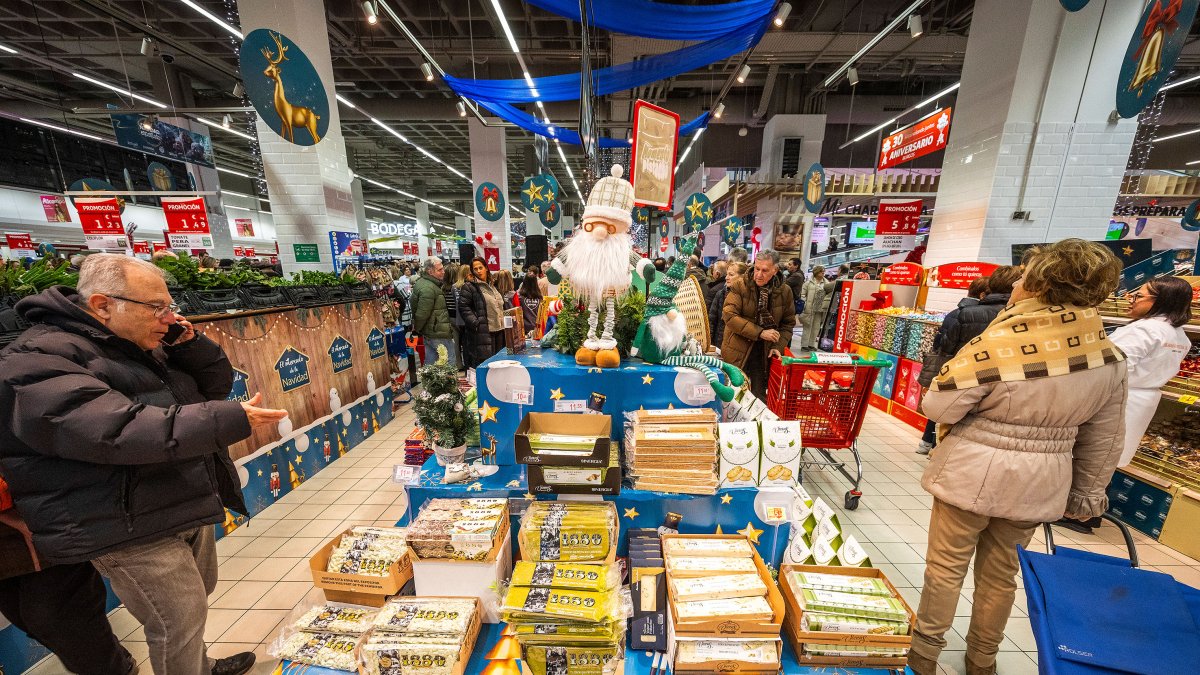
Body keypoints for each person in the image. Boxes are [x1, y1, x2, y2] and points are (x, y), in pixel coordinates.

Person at [0, 254, 288, 675]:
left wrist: (189, 346)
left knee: (195, 599)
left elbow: (210, 388)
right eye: (157, 307)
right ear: (102, 305)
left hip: (176, 492)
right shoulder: (36, 358)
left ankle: (199, 666)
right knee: (177, 618)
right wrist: (230, 419)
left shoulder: (137, 343)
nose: (168, 317)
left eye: (170, 306)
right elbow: (116, 431)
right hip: (119, 514)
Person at [909, 239, 1127, 675]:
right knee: (1001, 575)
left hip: (971, 473)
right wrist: (1085, 492)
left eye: (1025, 275)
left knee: (946, 568)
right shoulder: (1108, 354)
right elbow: (1105, 438)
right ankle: (982, 661)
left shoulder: (1001, 344)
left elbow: (939, 407)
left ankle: (924, 653)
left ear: (1041, 284)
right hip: (1042, 478)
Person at [0, 506, 135, 675]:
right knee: (20, 615)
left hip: (36, 513)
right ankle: (113, 658)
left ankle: (114, 668)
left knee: (53, 615)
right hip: (7, 534)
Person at [915, 269, 1020, 455]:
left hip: (957, 374)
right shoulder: (1017, 318)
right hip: (1000, 382)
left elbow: (945, 346)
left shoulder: (964, 313)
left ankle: (933, 446)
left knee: (947, 410)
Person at [721, 250, 797, 398]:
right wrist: (760, 332)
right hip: (737, 349)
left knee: (758, 397)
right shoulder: (740, 286)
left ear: (775, 270)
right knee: (733, 396)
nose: (759, 274)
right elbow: (729, 315)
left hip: (764, 354)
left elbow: (787, 324)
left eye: (764, 270)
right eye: (757, 268)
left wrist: (778, 346)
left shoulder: (785, 291)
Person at [459, 257, 506, 368]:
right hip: (483, 332)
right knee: (485, 364)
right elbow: (463, 307)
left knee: (499, 362)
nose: (479, 271)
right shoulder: (469, 287)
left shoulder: (493, 285)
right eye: (475, 269)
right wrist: (476, 323)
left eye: (481, 268)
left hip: (499, 330)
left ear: (486, 268)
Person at [410, 257, 454, 366]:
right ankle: (448, 383)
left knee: (431, 364)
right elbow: (422, 313)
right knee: (448, 362)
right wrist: (418, 329)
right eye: (440, 270)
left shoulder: (427, 284)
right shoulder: (428, 288)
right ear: (430, 271)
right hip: (437, 331)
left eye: (442, 269)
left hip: (432, 331)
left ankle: (432, 383)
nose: (443, 272)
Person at [709, 262, 747, 349]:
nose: (726, 278)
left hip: (739, 346)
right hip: (720, 344)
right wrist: (710, 343)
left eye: (731, 275)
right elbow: (712, 320)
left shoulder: (749, 297)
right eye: (727, 274)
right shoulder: (720, 294)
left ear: (742, 277)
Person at [798, 266, 828, 351]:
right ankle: (804, 345)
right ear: (816, 272)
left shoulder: (826, 283)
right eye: (821, 271)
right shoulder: (808, 283)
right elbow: (803, 294)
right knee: (807, 326)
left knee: (816, 327)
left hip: (819, 308)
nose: (823, 273)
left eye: (823, 272)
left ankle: (811, 344)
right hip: (809, 308)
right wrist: (805, 304)